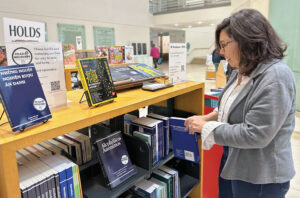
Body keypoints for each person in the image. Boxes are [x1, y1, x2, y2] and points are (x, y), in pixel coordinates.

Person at [184, 9, 295, 198]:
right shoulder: (240, 70)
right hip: (234, 161)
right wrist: (209, 116)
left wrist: (207, 127)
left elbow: (256, 134)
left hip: (261, 176)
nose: (221, 51)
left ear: (246, 40)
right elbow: (231, 105)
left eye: (224, 44)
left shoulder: (275, 76)